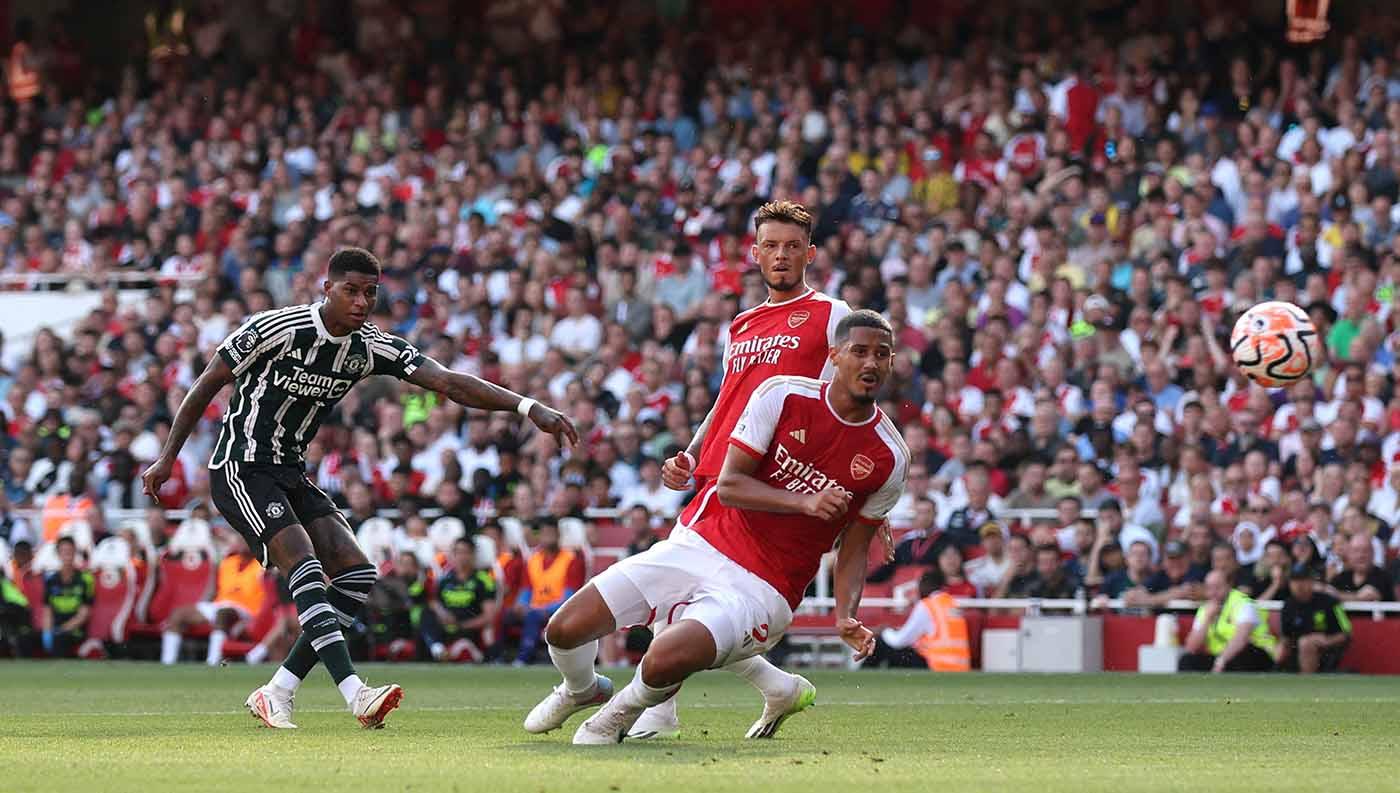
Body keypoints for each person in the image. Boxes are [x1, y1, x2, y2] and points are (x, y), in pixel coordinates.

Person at [140, 247, 578, 729]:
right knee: (303, 561)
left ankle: (278, 690)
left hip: (289, 472)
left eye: (370, 292)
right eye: (351, 290)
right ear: (326, 288)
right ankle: (355, 694)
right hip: (240, 466)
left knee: (356, 573)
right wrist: (167, 457)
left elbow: (450, 382)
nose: (362, 301)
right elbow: (208, 382)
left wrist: (528, 407)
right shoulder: (274, 329)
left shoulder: (370, 346)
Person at [526, 310, 908, 744]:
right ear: (835, 355)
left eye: (882, 354)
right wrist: (806, 501)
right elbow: (729, 486)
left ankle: (618, 714)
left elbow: (856, 547)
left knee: (663, 657)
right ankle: (583, 690)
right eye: (859, 352)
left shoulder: (890, 456)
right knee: (564, 628)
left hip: (765, 587)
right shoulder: (782, 395)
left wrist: (846, 616)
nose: (871, 363)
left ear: (892, 363)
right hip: (701, 542)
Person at [649, 200, 854, 740]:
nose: (782, 255)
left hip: (772, 478)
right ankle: (774, 688)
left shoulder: (832, 313)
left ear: (809, 253)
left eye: (793, 246)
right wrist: (692, 454)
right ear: (755, 253)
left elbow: (851, 392)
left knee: (681, 588)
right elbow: (725, 402)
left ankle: (657, 711)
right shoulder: (742, 323)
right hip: (722, 470)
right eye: (772, 246)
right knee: (682, 592)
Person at [160, 534, 269, 666]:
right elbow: (214, 590)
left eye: (244, 540)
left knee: (222, 613)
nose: (241, 543)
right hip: (221, 604)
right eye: (239, 539)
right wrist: (202, 605)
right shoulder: (228, 562)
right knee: (178, 614)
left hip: (247, 610)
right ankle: (167, 663)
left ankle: (212, 662)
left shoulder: (262, 566)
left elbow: (267, 596)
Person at [864, 571, 970, 670]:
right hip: (960, 666)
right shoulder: (952, 603)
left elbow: (900, 640)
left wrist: (885, 632)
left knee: (882, 642)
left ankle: (862, 677)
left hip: (936, 665)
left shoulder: (927, 605)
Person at [513, 519, 584, 665]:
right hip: (533, 608)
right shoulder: (533, 560)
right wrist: (521, 604)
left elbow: (570, 597)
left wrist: (547, 609)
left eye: (551, 533)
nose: (548, 537)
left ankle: (523, 658)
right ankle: (495, 655)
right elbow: (526, 589)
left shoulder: (571, 560)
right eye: (544, 533)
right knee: (506, 615)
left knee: (533, 616)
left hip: (560, 609)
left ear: (558, 535)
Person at [1178, 570, 1277, 673]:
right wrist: (1207, 619)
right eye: (1209, 588)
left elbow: (1241, 638)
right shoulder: (1205, 609)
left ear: (1229, 585)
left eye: (1217, 587)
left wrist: (1221, 661)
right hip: (1221, 657)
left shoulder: (1243, 603)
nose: (1213, 592)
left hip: (1257, 654)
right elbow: (1191, 647)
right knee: (1186, 660)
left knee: (1244, 654)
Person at [421, 538, 498, 662]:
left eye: (465, 552)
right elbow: (434, 603)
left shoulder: (483, 580)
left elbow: (489, 616)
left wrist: (462, 625)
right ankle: (438, 649)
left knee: (464, 646)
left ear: (473, 555)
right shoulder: (445, 579)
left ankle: (461, 652)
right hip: (446, 625)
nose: (461, 557)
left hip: (468, 627)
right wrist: (443, 613)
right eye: (457, 552)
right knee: (426, 613)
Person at [1278, 565, 1351, 674]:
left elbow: (1347, 631)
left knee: (1306, 643)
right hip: (1296, 651)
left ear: (1311, 581)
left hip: (1328, 650)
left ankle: (1307, 681)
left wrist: (1327, 640)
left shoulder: (1331, 602)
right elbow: (1286, 638)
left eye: (1303, 580)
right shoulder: (1288, 605)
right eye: (1294, 581)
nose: (1299, 585)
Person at [41, 536, 93, 658]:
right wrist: (47, 632)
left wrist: (61, 630)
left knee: (60, 639)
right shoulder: (51, 580)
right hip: (55, 628)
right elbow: (47, 611)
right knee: (25, 640)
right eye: (63, 551)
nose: (67, 555)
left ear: (75, 552)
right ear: (58, 554)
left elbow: (84, 614)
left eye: (70, 551)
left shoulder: (85, 579)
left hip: (75, 630)